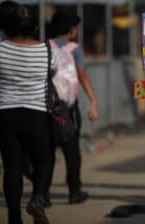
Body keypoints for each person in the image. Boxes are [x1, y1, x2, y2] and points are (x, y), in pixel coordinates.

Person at [0, 5, 54, 224]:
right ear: (35, 26)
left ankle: (14, 218)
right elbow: (51, 72)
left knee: (13, 166)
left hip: (2, 114)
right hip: (35, 113)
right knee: (44, 159)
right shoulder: (46, 51)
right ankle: (37, 198)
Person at [47, 12, 99, 204]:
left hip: (47, 108)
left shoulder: (45, 46)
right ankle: (74, 191)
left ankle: (43, 194)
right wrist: (93, 100)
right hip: (68, 108)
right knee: (72, 152)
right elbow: (82, 75)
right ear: (71, 29)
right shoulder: (74, 49)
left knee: (46, 152)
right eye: (75, 27)